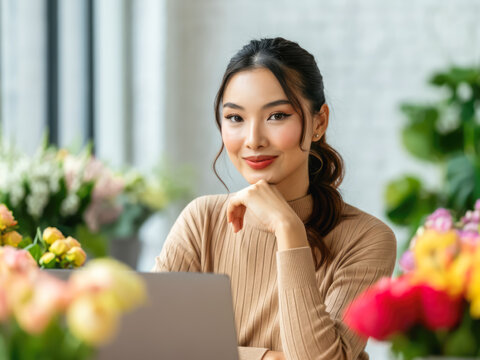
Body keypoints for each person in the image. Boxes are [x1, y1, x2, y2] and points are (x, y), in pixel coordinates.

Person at [152, 37, 396, 360]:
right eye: (235, 118)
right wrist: (268, 358)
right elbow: (149, 344)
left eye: (277, 116)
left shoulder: (367, 239)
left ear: (319, 123)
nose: (253, 140)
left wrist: (287, 228)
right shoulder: (202, 222)